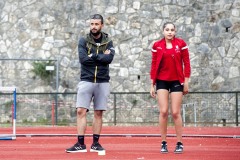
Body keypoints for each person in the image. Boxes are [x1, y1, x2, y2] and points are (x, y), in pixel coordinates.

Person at [66, 14, 115, 153]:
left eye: (96, 24)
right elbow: (83, 59)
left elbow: (109, 59)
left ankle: (95, 144)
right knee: (80, 111)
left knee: (98, 112)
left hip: (103, 80)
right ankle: (80, 144)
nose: (93, 27)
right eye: (92, 24)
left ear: (102, 25)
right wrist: (100, 56)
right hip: (86, 79)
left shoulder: (109, 41)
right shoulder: (83, 40)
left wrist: (92, 55)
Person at [150, 22, 191, 154]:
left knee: (175, 112)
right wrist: (152, 84)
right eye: (167, 30)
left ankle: (179, 142)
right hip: (161, 80)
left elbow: (187, 63)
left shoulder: (181, 44)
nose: (169, 32)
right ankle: (163, 142)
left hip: (176, 81)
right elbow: (154, 64)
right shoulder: (157, 46)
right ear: (163, 31)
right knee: (163, 111)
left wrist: (186, 81)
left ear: (175, 31)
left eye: (172, 30)